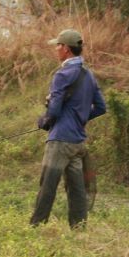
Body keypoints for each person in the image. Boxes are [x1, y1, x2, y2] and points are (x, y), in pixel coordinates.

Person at [31, 29, 106, 228]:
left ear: (65, 49)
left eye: (58, 45)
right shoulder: (88, 75)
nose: (56, 49)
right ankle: (79, 227)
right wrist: (79, 119)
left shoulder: (62, 74)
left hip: (60, 140)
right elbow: (101, 107)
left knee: (48, 184)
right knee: (77, 189)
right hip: (78, 141)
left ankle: (36, 227)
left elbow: (54, 110)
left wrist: (44, 121)